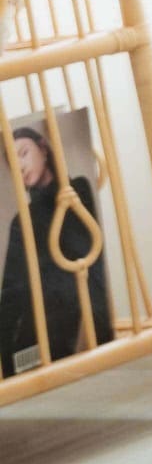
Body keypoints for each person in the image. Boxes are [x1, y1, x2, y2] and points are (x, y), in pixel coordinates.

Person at [0, 125, 113, 377]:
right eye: (11, 160)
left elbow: (87, 256)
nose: (18, 166)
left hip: (84, 313)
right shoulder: (23, 220)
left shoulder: (79, 191)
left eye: (23, 153)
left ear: (43, 148)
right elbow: (11, 292)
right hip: (44, 325)